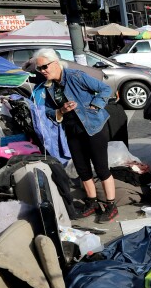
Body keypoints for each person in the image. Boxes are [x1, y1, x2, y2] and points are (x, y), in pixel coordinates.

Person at [34, 48, 118, 222]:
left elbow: (104, 89)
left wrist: (95, 105)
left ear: (55, 63)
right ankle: (92, 202)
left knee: (101, 168)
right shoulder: (49, 87)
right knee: (82, 168)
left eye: (44, 67)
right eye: (39, 69)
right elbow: (49, 111)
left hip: (93, 127)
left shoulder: (75, 76)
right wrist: (61, 110)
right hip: (72, 129)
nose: (42, 71)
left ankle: (111, 205)